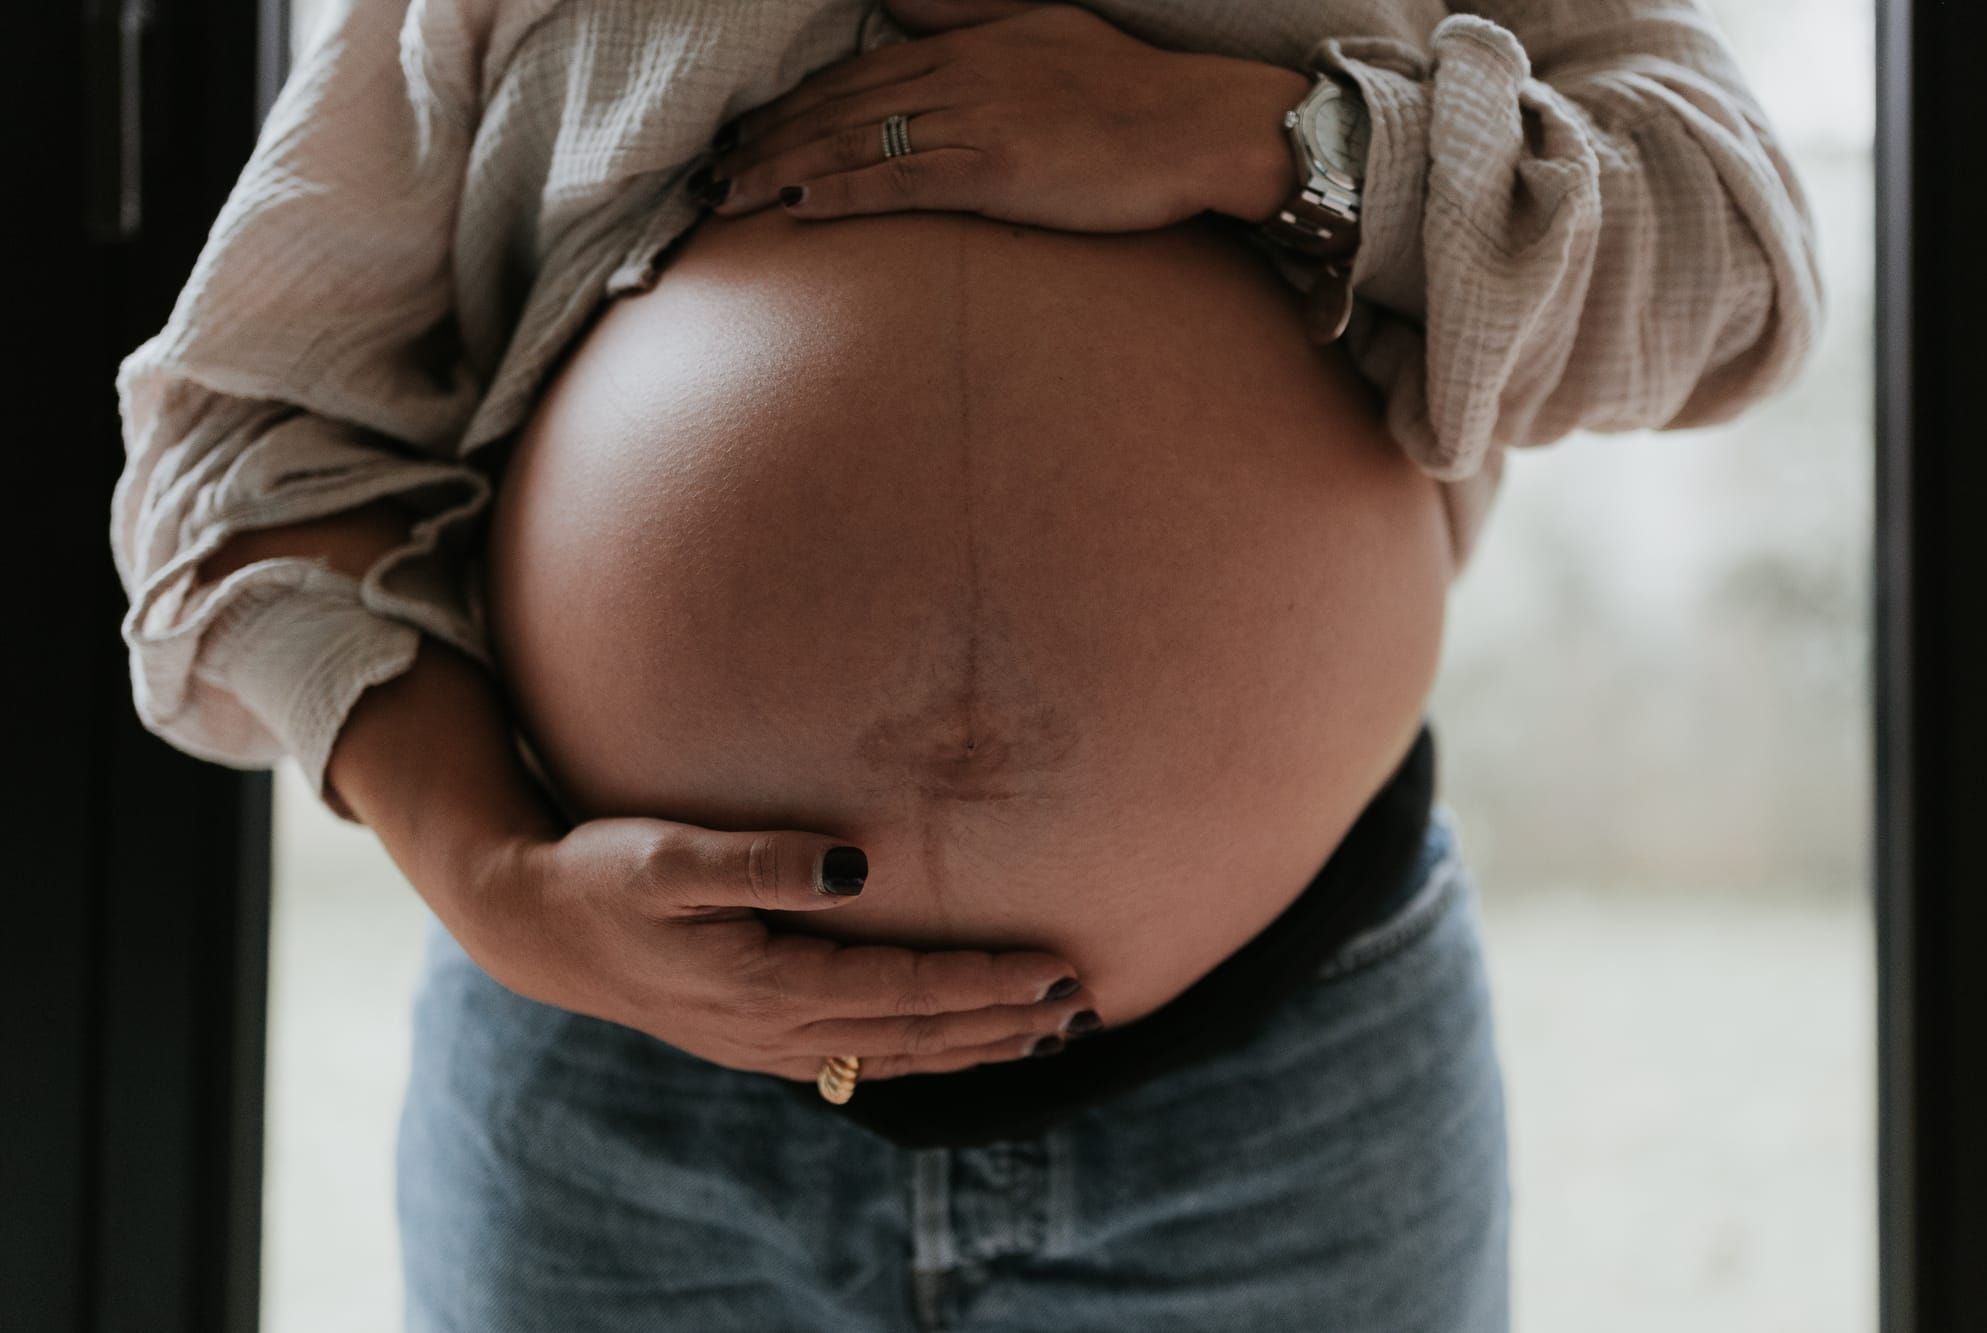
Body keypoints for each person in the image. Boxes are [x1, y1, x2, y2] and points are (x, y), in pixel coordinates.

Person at [111, 0, 1824, 1328]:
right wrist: (499, 885)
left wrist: (1262, 138)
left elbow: (1734, 261)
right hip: (625, 1095)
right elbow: (247, 456)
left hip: (1284, 1093)